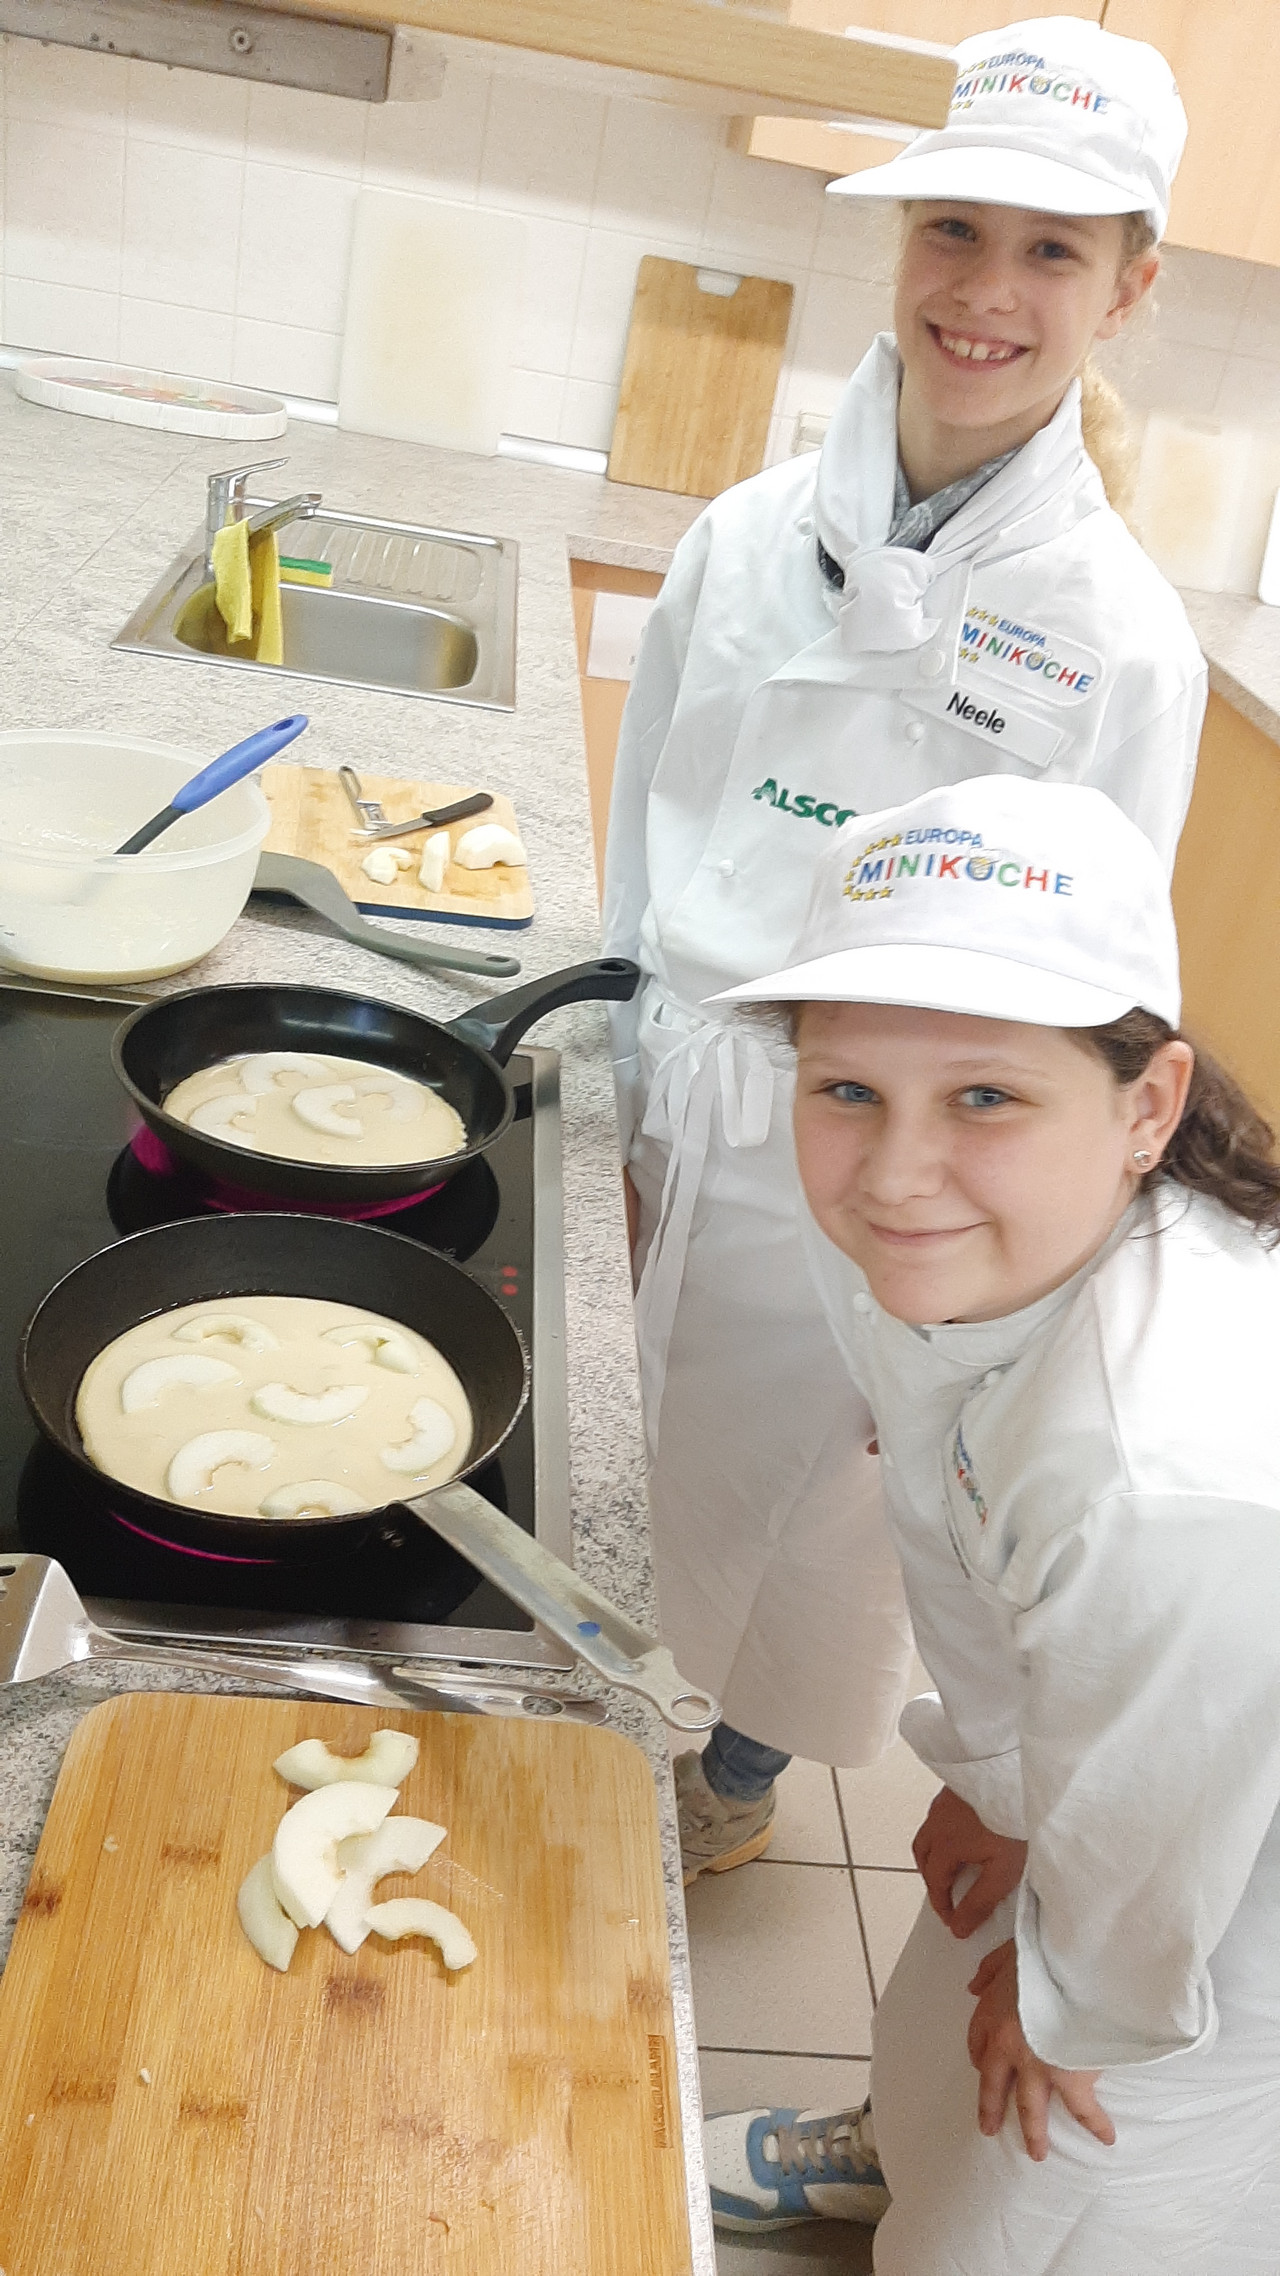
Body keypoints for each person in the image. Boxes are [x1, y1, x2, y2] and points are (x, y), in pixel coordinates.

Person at [602, 16, 1208, 1881]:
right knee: (628, 1451)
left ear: (1128, 289)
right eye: (956, 229)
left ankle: (734, 1779)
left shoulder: (1122, 642)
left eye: (1051, 251)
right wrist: (612, 1063)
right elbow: (646, 823)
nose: (986, 292)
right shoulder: (742, 537)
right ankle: (589, 1716)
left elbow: (1101, 994)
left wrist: (1014, 1292)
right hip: (684, 1083)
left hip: (896, 1155)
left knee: (828, 1508)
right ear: (903, 238)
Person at [703, 772, 1280, 2273]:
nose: (898, 1175)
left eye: (986, 1097)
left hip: (1226, 1885)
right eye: (848, 1090)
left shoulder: (1171, 1470)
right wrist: (1011, 1790)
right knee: (948, 2022)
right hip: (1132, 1758)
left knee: (1054, 2172)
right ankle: (894, 2151)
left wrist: (1074, 1999)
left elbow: (1166, 1820)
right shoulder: (998, 1247)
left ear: (1147, 1105)